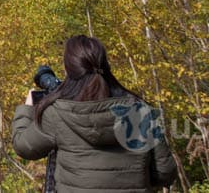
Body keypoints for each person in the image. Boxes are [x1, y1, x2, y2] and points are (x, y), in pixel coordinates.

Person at [12, 35, 178, 193]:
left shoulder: (57, 113)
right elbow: (165, 172)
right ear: (105, 65)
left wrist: (27, 109)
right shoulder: (140, 112)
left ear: (68, 69)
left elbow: (24, 147)